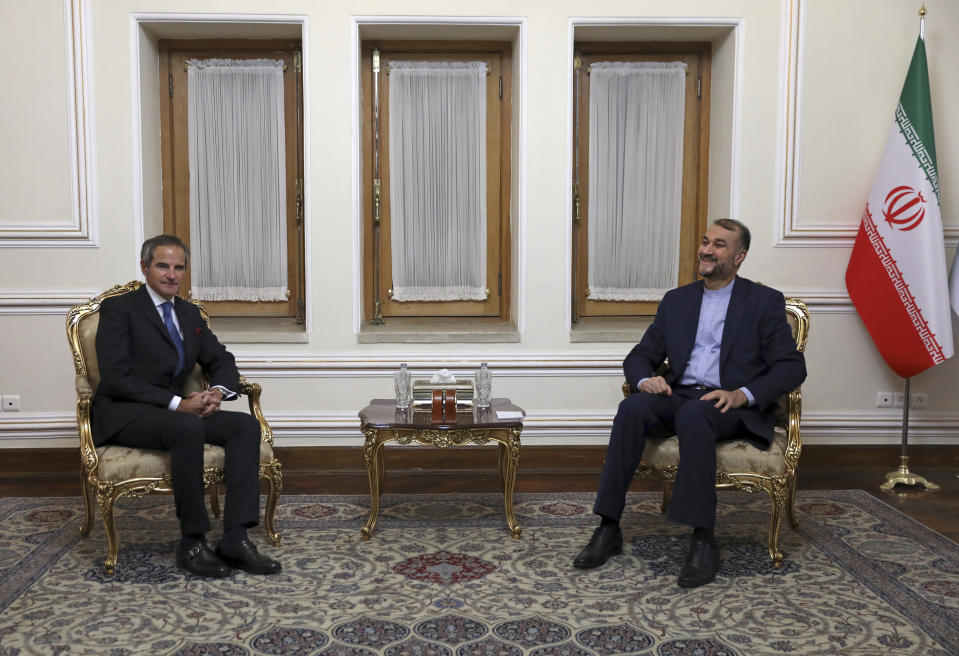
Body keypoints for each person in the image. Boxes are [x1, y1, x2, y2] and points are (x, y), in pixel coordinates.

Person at [573, 219, 806, 587]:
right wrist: (645, 379)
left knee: (698, 412)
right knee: (631, 408)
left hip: (729, 405)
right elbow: (640, 355)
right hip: (679, 395)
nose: (707, 250)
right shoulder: (678, 300)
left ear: (740, 256)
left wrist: (740, 394)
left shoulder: (763, 302)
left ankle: (702, 538)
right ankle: (608, 526)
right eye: (704, 241)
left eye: (719, 245)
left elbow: (792, 367)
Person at [92, 234, 281, 578]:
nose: (171, 274)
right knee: (187, 425)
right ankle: (192, 542)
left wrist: (218, 393)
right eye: (163, 266)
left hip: (174, 413)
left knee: (244, 427)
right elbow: (117, 377)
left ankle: (235, 539)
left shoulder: (188, 312)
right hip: (125, 412)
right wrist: (179, 403)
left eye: (178, 267)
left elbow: (220, 357)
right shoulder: (120, 309)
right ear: (145, 267)